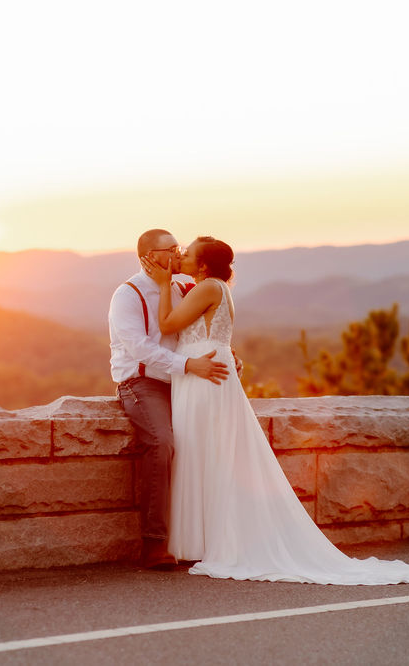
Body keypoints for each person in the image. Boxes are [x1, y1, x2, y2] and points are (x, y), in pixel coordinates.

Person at [141, 236, 409, 584]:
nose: (181, 255)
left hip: (205, 375)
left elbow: (168, 325)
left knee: (207, 452)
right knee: (205, 452)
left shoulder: (208, 288)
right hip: (204, 370)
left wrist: (161, 285)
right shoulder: (210, 287)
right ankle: (204, 539)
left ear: (203, 266)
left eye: (188, 253)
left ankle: (215, 540)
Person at [109, 229, 230, 569]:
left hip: (182, 381)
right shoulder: (127, 294)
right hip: (142, 383)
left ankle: (207, 535)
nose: (178, 255)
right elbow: (140, 349)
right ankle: (154, 544)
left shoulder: (179, 289)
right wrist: (189, 364)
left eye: (180, 249)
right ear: (149, 256)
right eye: (171, 249)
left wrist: (223, 354)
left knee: (203, 444)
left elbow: (197, 331)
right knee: (161, 442)